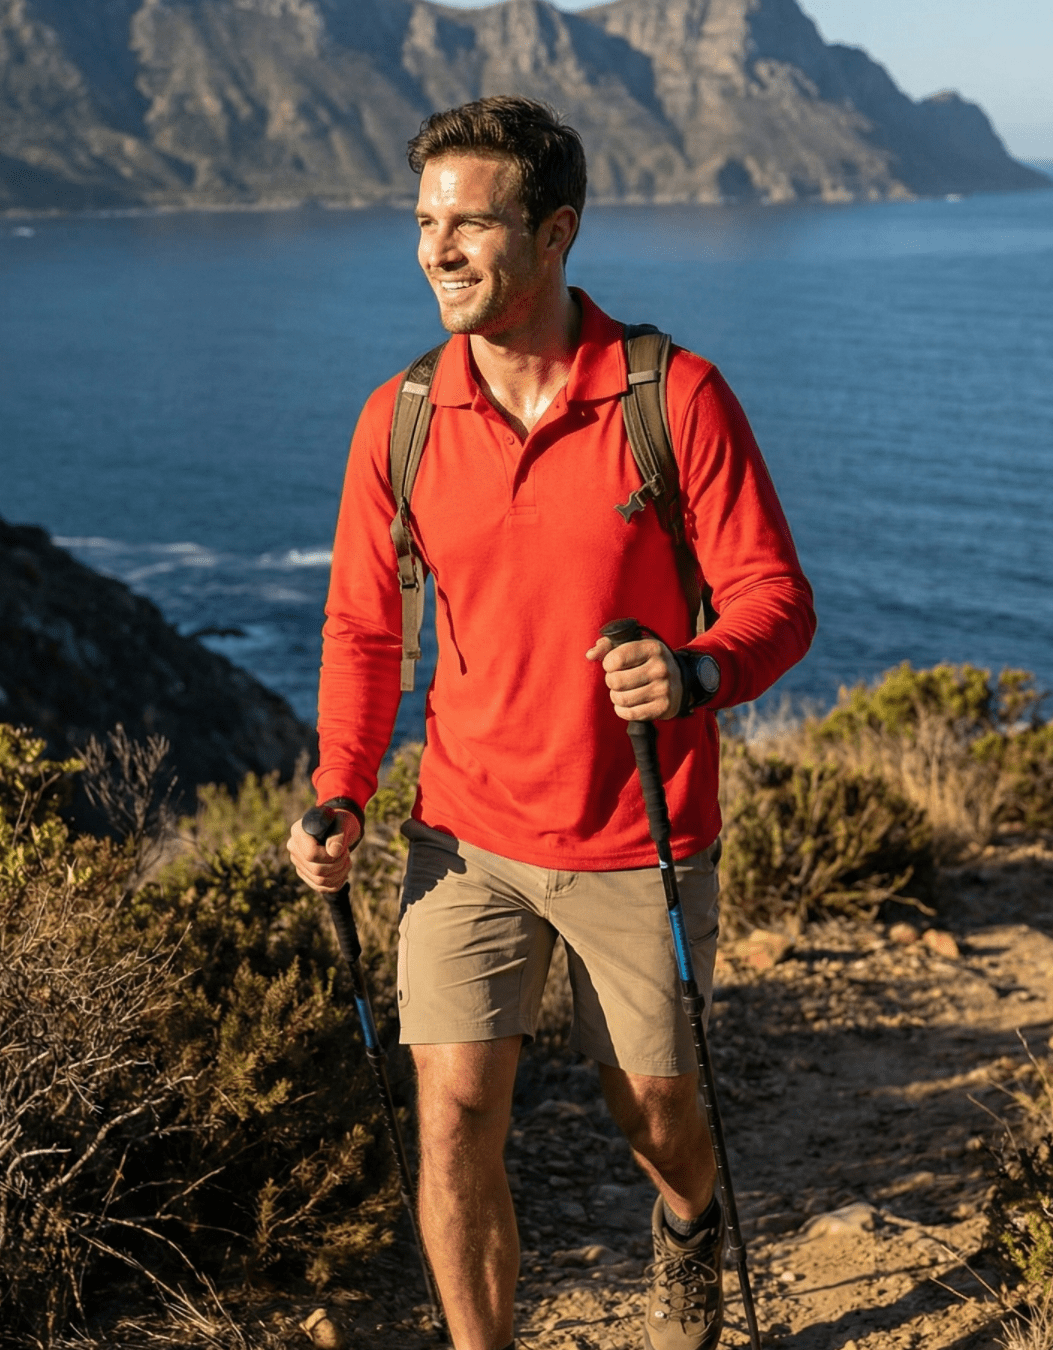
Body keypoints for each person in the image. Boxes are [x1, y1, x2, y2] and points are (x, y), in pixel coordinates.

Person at [288, 96, 815, 1350]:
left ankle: (689, 1230)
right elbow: (366, 631)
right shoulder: (400, 418)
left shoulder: (670, 396)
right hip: (465, 835)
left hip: (641, 835)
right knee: (455, 1109)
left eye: (470, 223)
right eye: (424, 223)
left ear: (556, 231)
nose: (437, 250)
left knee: (659, 1121)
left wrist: (694, 673)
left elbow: (776, 602)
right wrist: (344, 789)